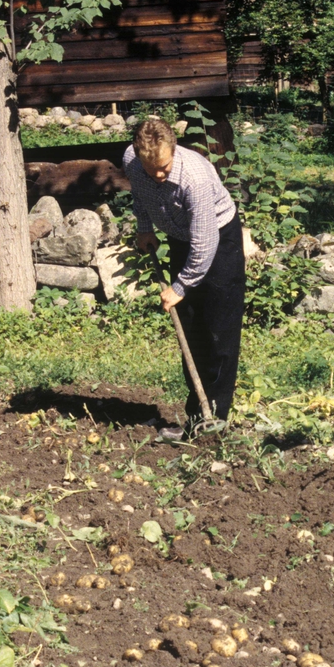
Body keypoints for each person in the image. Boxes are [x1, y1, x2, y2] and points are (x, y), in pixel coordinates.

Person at [123, 119, 246, 442]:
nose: (158, 175)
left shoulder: (195, 177)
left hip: (219, 241)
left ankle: (215, 420)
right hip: (180, 238)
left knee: (219, 329)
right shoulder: (133, 162)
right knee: (191, 329)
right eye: (151, 169)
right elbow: (140, 193)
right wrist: (144, 227)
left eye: (163, 167)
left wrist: (179, 287)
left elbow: (205, 244)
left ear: (173, 152)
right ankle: (196, 417)